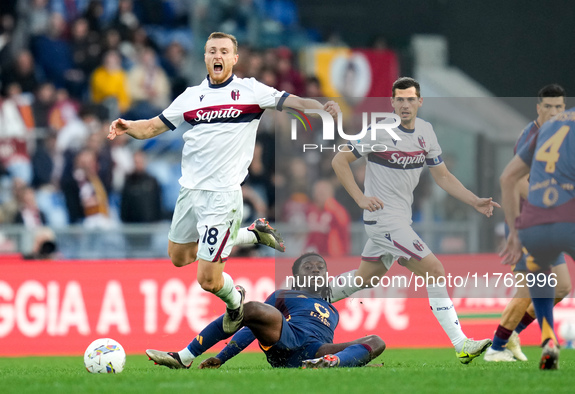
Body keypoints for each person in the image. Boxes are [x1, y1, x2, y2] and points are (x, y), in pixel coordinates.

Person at [108, 32, 340, 334]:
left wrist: (320, 106)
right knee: (179, 257)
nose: (217, 56)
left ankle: (235, 304)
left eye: (224, 51)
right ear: (205, 57)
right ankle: (251, 234)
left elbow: (290, 101)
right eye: (211, 51)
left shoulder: (250, 91)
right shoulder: (190, 96)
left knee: (208, 280)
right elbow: (152, 126)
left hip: (222, 196)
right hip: (189, 191)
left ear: (234, 59)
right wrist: (128, 127)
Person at [329, 77, 499, 364]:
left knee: (364, 278)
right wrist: (360, 198)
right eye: (400, 99)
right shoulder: (379, 131)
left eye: (411, 99)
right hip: (383, 219)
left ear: (420, 102)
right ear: (392, 103)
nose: (405, 104)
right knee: (434, 269)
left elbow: (443, 176)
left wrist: (474, 201)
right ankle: (461, 344)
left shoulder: (426, 132)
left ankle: (308, 299)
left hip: (399, 220)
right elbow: (339, 160)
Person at [146, 252, 385, 369]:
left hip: (316, 351)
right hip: (286, 341)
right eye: (308, 267)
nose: (315, 270)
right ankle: (184, 357)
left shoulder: (333, 308)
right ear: (296, 275)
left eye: (320, 267)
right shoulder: (284, 294)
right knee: (252, 309)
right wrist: (222, 357)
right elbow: (251, 328)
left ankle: (331, 364)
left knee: (376, 341)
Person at [485, 84, 571, 362]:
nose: (555, 112)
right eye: (549, 107)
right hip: (529, 224)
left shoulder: (559, 131)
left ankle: (512, 335)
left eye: (559, 106)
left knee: (560, 287)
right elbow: (517, 180)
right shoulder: (531, 135)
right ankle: (496, 347)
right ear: (538, 108)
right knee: (529, 289)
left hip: (549, 222)